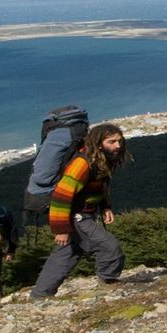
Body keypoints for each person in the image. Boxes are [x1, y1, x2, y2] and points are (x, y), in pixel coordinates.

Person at [30, 123, 129, 298]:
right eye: (112, 142)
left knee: (65, 255)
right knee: (109, 247)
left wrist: (105, 207)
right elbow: (61, 196)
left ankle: (40, 295)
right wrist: (60, 229)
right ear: (99, 143)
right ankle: (108, 281)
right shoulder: (81, 164)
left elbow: (99, 187)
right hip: (76, 216)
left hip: (81, 214)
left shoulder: (100, 160)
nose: (118, 146)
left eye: (119, 141)